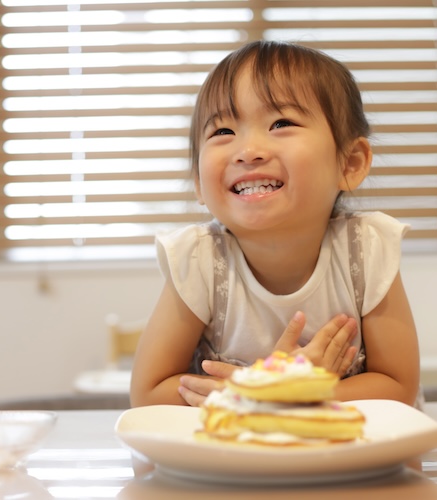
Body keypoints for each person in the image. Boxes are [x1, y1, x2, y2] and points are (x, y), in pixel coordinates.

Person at [130, 40, 420, 409]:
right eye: (223, 132)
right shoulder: (200, 260)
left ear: (349, 163)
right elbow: (147, 395)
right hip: (234, 459)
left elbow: (398, 387)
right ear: (198, 182)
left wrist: (287, 391)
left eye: (281, 123)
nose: (249, 150)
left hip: (348, 455)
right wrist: (259, 387)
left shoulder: (365, 248)